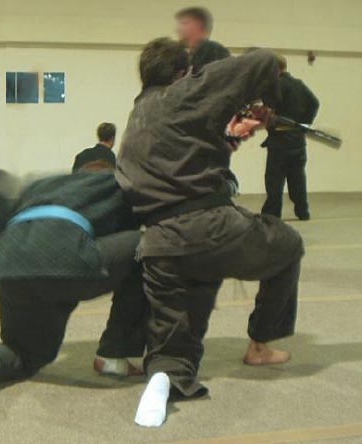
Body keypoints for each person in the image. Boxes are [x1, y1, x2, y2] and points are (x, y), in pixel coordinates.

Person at [116, 38, 305, 427]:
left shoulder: (140, 114)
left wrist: (233, 131)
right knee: (287, 244)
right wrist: (268, 105)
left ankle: (163, 377)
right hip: (212, 230)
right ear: (183, 73)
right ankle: (260, 344)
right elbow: (264, 60)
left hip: (160, 246)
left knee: (176, 338)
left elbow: (187, 154)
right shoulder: (185, 91)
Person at [0, 169, 148, 404]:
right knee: (151, 246)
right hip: (63, 255)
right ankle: (115, 354)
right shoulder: (116, 182)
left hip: (9, 259)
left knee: (24, 352)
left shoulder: (44, 184)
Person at [261, 55, 320, 220]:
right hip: (297, 140)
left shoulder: (275, 86)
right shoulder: (299, 84)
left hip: (279, 141)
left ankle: (272, 213)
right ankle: (303, 211)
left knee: (274, 179)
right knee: (297, 178)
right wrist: (304, 124)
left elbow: (268, 107)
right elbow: (315, 103)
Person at [175, 6, 230, 72]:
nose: (178, 29)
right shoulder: (179, 52)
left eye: (185, 23)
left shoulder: (216, 52)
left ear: (199, 25)